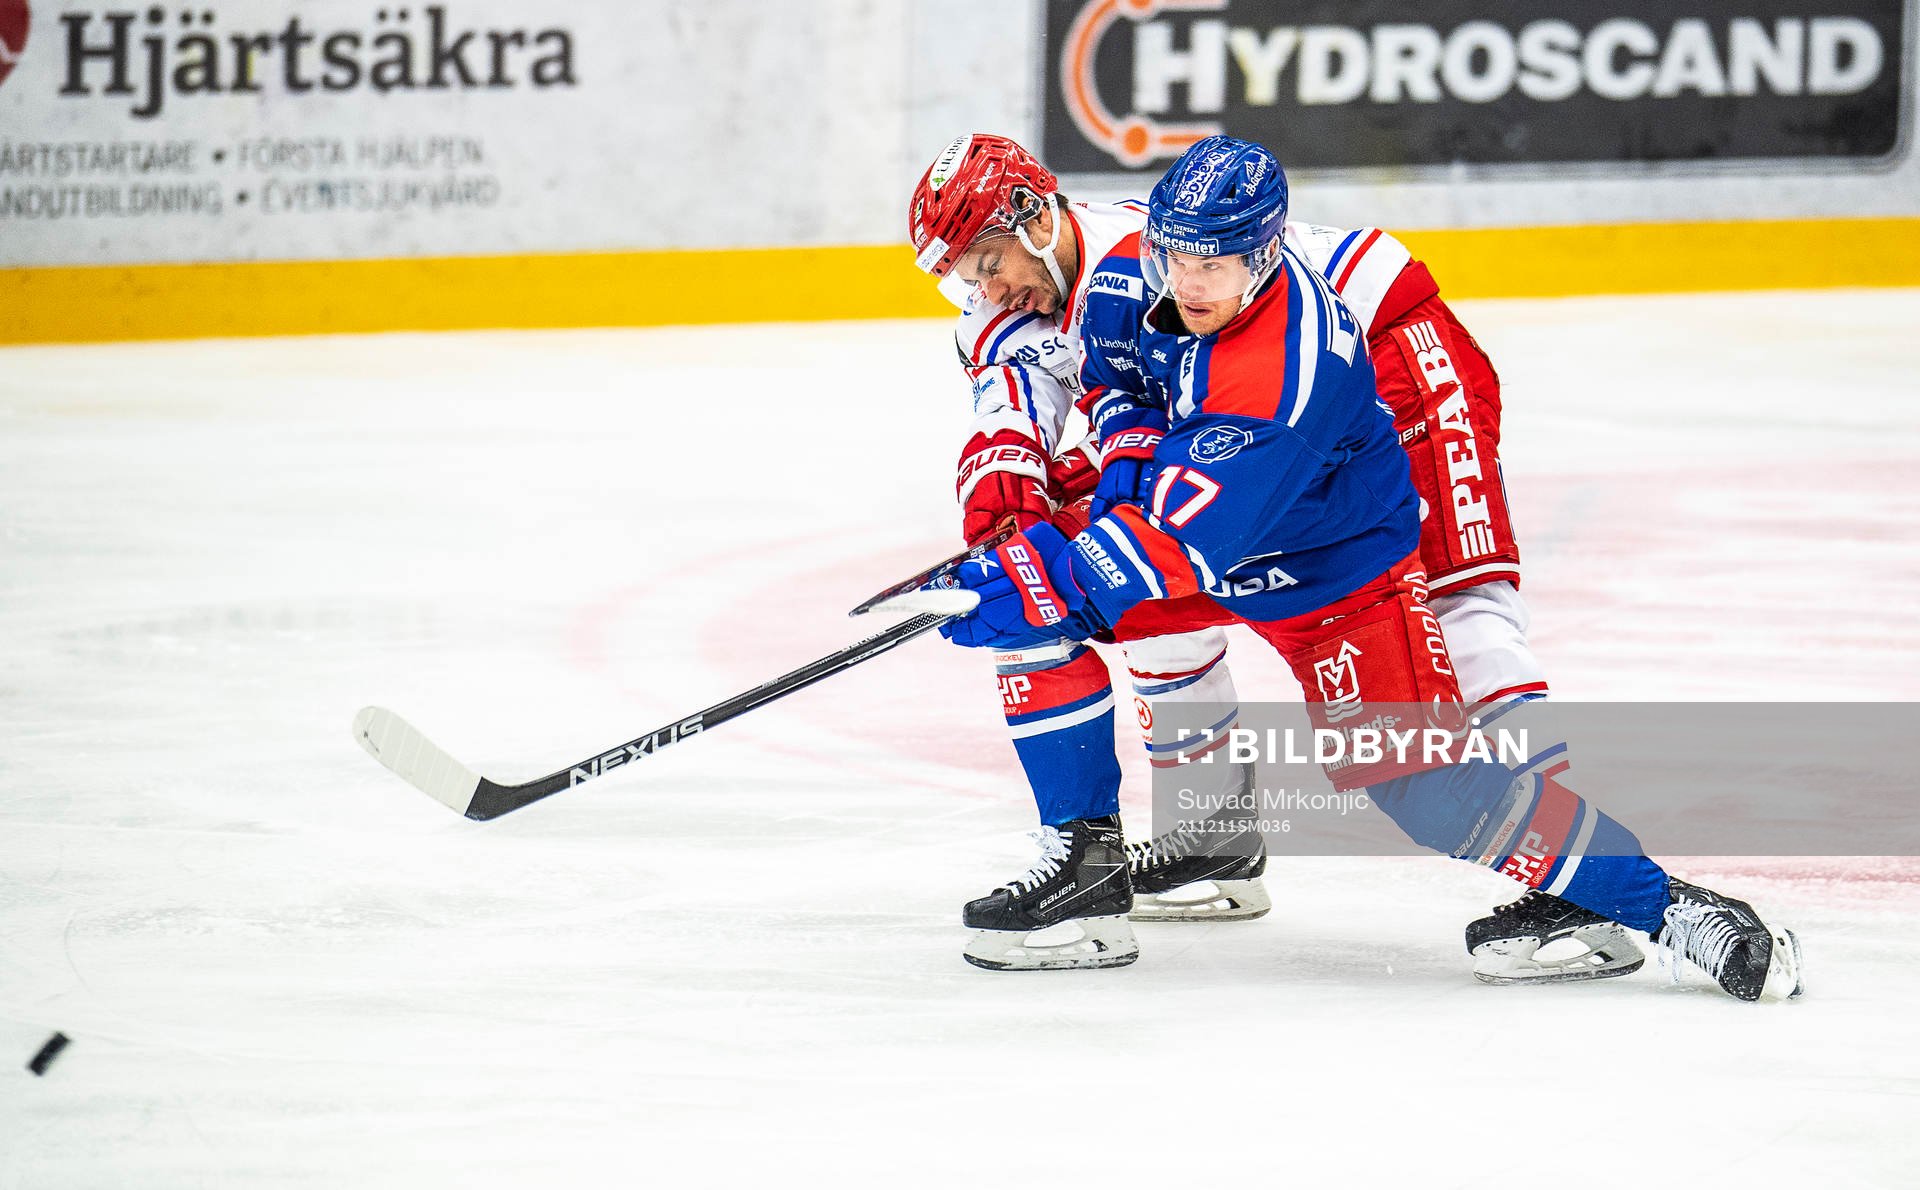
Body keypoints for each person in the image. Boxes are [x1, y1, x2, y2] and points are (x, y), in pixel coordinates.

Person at [933, 134, 1803, 1004]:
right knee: (1045, 597)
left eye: (1213, 263)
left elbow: (1176, 540)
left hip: (1338, 505)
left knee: (1461, 625)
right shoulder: (1132, 281)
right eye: (1176, 258)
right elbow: (1109, 400)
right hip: (1248, 507)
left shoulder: (1273, 377)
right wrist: (1024, 513)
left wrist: (1048, 570)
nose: (1186, 284)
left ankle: (1593, 888)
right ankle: (1179, 842)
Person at [909, 134, 1271, 929]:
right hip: (1223, 490)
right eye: (969, 280)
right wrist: (1012, 521)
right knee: (1059, 586)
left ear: (1033, 214)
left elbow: (1222, 404)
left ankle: (1087, 877)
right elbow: (1010, 424)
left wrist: (1103, 491)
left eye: (991, 261)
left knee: (1036, 604)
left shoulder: (1157, 259)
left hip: (1275, 477)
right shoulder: (1000, 317)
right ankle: (1216, 836)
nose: (992, 290)